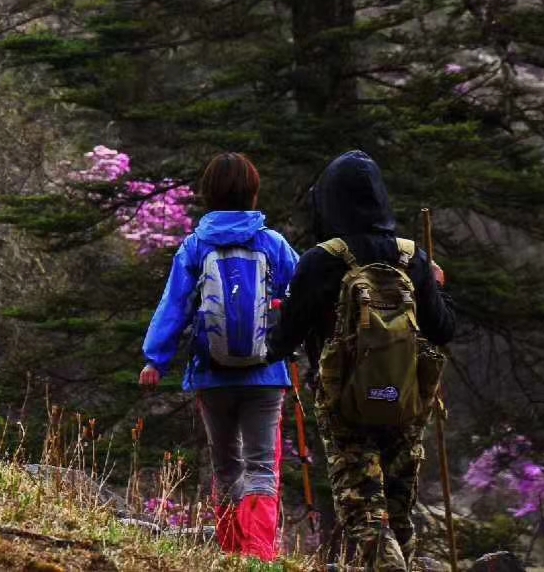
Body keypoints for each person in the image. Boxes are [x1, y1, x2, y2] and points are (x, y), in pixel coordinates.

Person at [267, 150, 455, 571]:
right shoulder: (411, 257)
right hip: (406, 401)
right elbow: (443, 329)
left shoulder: (321, 260)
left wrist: (262, 347)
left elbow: (286, 338)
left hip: (344, 402)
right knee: (400, 508)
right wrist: (439, 288)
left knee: (363, 510)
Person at [139, 152, 299, 560]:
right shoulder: (272, 243)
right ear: (252, 191)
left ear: (208, 194)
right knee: (262, 466)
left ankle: (230, 553)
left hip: (212, 375)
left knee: (227, 466)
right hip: (266, 374)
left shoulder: (195, 246)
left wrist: (155, 360)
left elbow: (173, 306)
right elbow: (303, 296)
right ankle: (259, 557)